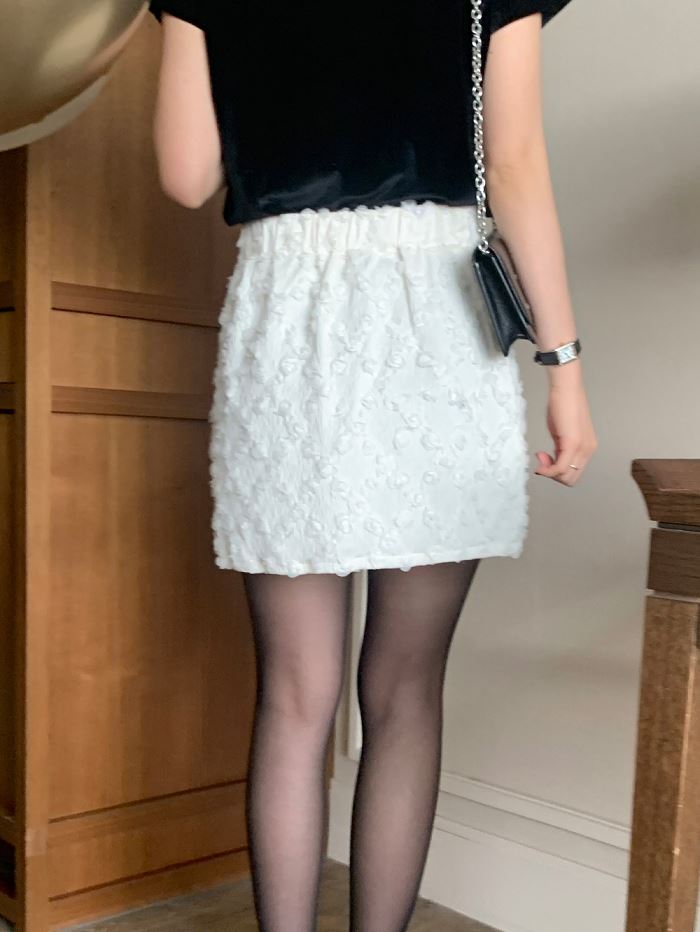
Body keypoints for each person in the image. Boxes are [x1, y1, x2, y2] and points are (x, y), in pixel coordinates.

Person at [148, 1, 597, 929]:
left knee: (294, 696)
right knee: (404, 690)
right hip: (436, 313)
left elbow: (186, 175)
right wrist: (563, 366)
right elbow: (513, 162)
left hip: (286, 312)